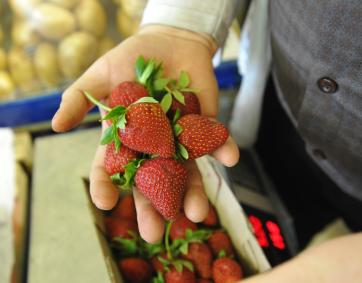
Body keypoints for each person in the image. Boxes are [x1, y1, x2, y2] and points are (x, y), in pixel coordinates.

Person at [52, 0, 362, 281]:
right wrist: (183, 26)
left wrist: (320, 273)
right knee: (290, 206)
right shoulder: (162, 134)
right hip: (284, 108)